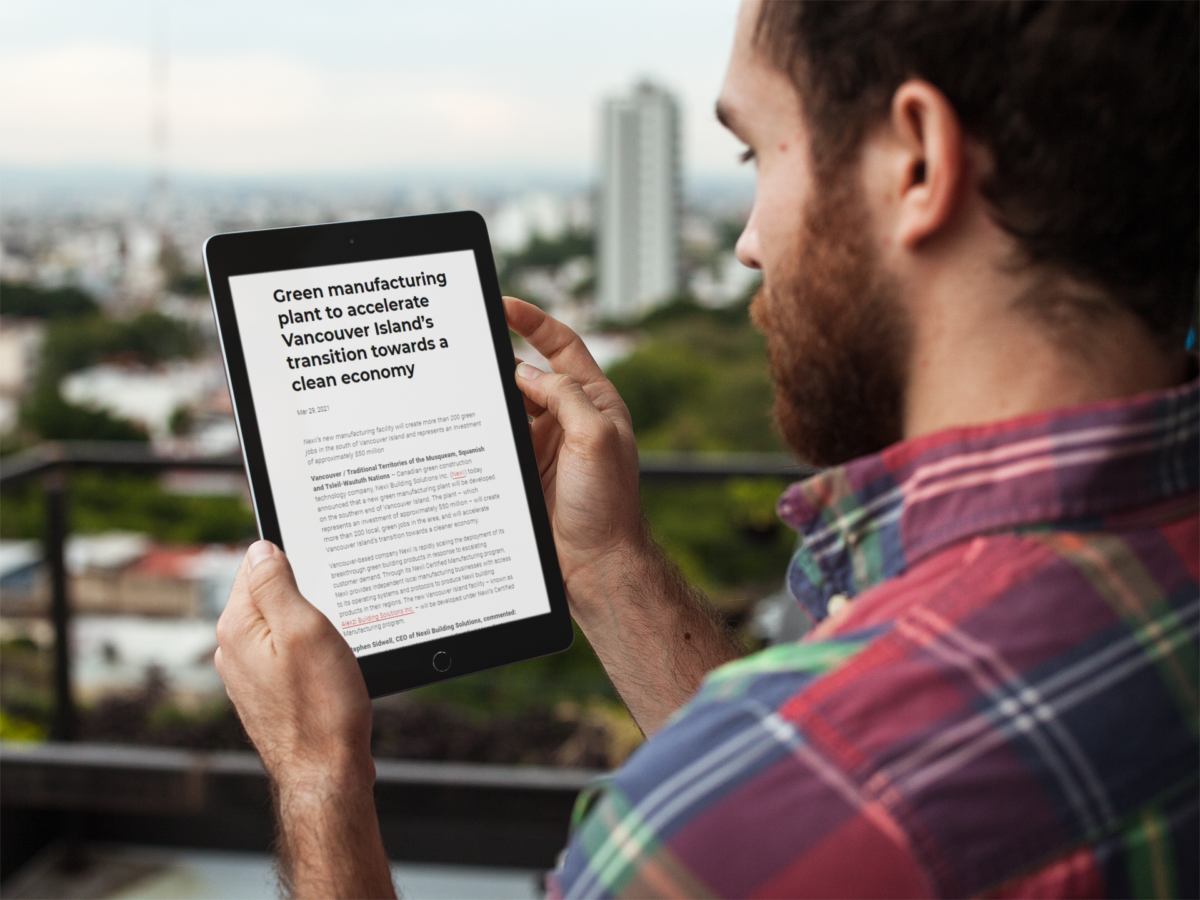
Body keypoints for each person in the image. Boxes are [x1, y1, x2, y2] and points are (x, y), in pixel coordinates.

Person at [214, 0, 1200, 896]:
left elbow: (789, 800)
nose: (748, 244)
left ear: (917, 162)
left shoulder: (707, 832)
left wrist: (316, 778)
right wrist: (605, 562)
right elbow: (796, 786)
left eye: (755, 159)